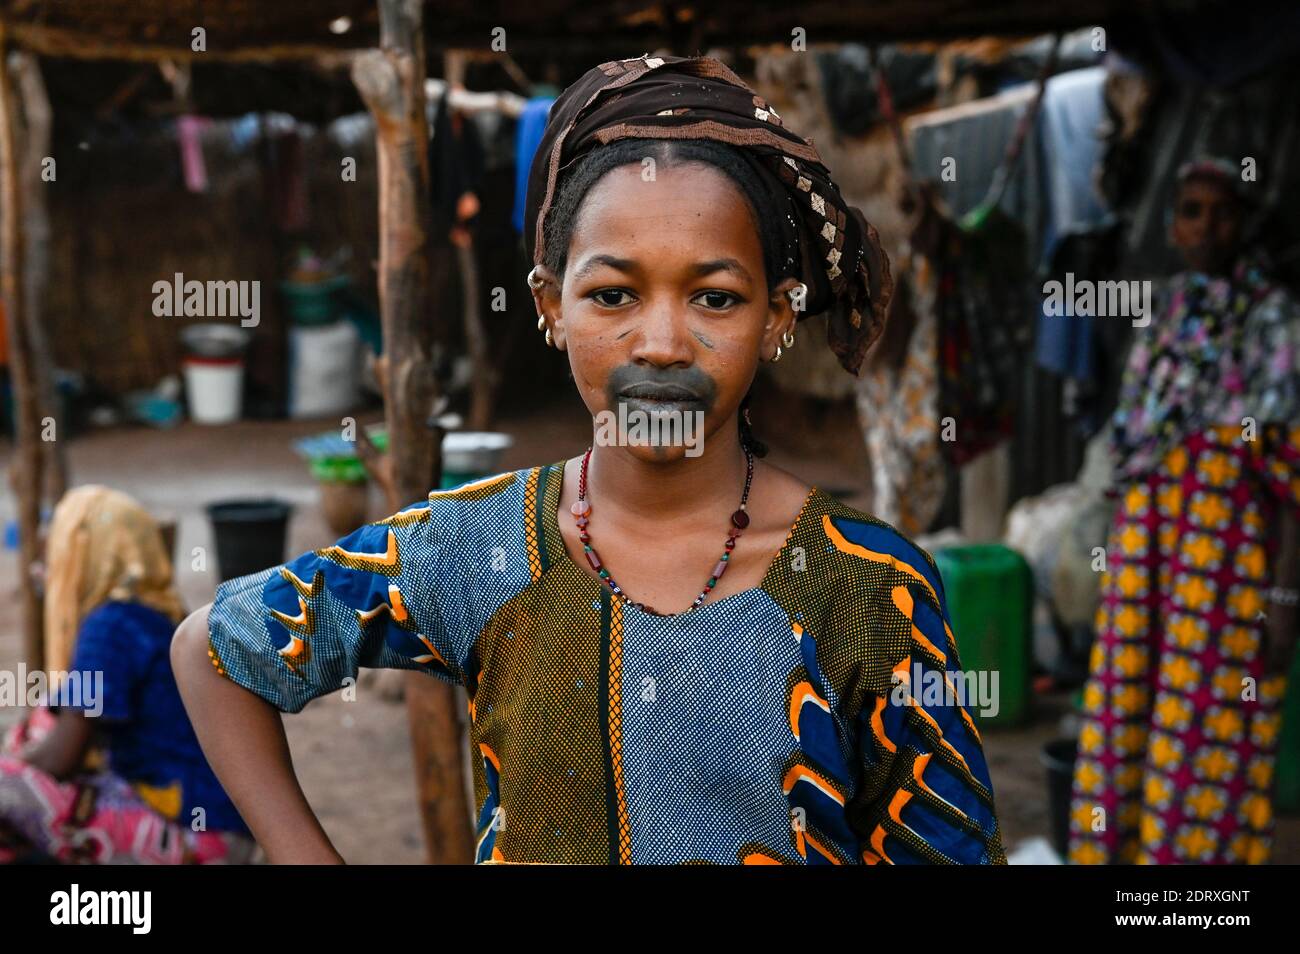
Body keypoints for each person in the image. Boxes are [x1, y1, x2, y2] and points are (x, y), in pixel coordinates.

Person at [172, 54, 1006, 866]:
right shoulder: (475, 549)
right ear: (551, 306)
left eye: (716, 296)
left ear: (779, 318)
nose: (662, 343)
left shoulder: (867, 588)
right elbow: (213, 649)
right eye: (613, 294)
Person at [1069, 157, 1300, 864]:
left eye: (1220, 210)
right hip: (1146, 554)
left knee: (1212, 730)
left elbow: (1293, 477)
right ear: (1171, 226)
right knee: (1126, 720)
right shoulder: (1164, 312)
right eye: (1191, 211)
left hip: (1224, 565)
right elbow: (1136, 445)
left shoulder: (1275, 319)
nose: (1205, 226)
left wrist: (1285, 595)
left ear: (1242, 221)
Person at [0, 486, 254, 864]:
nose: (44, 567)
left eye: (55, 550)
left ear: (86, 554)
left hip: (194, 837)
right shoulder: (156, 616)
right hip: (227, 828)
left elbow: (61, 757)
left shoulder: (109, 626)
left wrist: (14, 768)